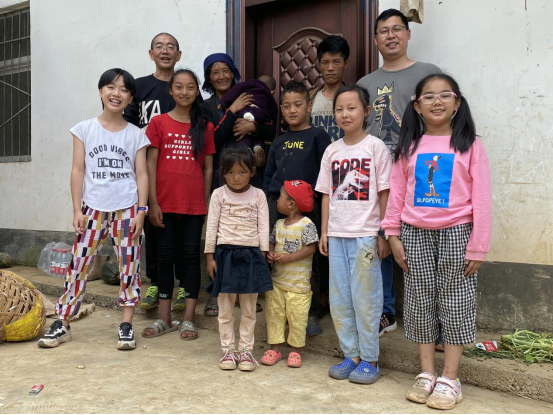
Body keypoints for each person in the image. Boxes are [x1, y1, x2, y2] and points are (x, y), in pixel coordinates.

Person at [382, 74, 492, 410]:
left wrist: (478, 245)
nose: (437, 101)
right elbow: (397, 194)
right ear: (417, 106)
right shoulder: (409, 147)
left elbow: (481, 198)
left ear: (457, 102)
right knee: (419, 300)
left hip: (457, 232)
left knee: (456, 301)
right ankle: (427, 373)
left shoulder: (470, 145)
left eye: (445, 95)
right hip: (414, 232)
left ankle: (450, 378)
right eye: (428, 96)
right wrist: (392, 233)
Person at [38, 69, 150, 351]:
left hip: (126, 209)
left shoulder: (136, 135)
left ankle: (126, 324)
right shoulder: (84, 129)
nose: (116, 93)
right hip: (92, 209)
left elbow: (142, 175)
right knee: (78, 265)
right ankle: (63, 322)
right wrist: (77, 209)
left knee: (129, 267)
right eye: (111, 87)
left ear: (130, 98)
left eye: (123, 90)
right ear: (101, 91)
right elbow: (77, 171)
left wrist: (141, 211)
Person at [357, 9, 443, 339]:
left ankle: (435, 319)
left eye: (397, 29)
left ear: (408, 34)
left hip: (420, 172)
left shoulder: (428, 74)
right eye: (384, 31)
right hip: (375, 176)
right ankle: (385, 311)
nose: (390, 35)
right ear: (375, 39)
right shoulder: (365, 84)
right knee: (378, 239)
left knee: (422, 242)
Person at [316, 85, 393, 385]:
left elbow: (385, 192)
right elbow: (326, 194)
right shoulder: (332, 150)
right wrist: (324, 231)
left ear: (366, 111)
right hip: (337, 235)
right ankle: (352, 355)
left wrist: (384, 233)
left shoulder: (376, 147)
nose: (345, 114)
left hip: (365, 236)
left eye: (351, 108)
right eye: (339, 109)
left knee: (366, 299)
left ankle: (370, 359)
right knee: (340, 298)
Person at [200, 53, 277, 317]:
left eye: (226, 70)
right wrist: (232, 111)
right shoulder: (207, 106)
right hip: (223, 177)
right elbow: (213, 140)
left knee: (247, 234)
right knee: (222, 233)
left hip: (251, 176)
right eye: (215, 72)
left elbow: (272, 129)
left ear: (233, 72)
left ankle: (246, 290)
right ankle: (217, 293)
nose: (221, 76)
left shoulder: (250, 95)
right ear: (208, 78)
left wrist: (253, 129)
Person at [142, 69, 215, 341]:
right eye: (179, 87)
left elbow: (208, 169)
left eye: (190, 87)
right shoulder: (158, 123)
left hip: (193, 206)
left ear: (197, 91)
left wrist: (204, 203)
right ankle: (164, 319)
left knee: (190, 260)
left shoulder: (205, 126)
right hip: (164, 204)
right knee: (164, 260)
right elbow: (150, 164)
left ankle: (188, 319)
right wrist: (152, 202)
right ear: (171, 91)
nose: (185, 92)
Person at [123, 33, 187, 313]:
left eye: (170, 47)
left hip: (179, 169)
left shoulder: (183, 87)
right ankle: (155, 283)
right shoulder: (139, 86)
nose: (165, 51)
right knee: (152, 226)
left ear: (178, 55)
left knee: (182, 228)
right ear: (151, 54)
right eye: (159, 46)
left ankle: (183, 284)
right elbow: (125, 126)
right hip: (146, 169)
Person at [263, 82, 331, 336]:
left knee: (310, 258)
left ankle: (311, 310)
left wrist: (319, 205)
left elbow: (326, 174)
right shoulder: (279, 141)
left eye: (298, 105)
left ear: (309, 106)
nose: (292, 110)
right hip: (278, 207)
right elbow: (269, 176)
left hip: (309, 210)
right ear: (281, 109)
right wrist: (269, 206)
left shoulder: (318, 136)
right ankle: (280, 307)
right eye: (287, 106)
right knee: (278, 254)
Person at [204, 146, 272, 372]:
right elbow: (211, 226)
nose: (236, 178)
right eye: (230, 172)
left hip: (251, 255)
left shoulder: (259, 195)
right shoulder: (218, 194)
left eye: (242, 172)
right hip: (225, 255)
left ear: (252, 171)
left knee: (249, 308)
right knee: (225, 308)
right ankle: (228, 350)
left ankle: (245, 351)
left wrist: (263, 254)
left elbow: (264, 226)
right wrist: (210, 257)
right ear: (223, 172)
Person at [261, 181, 319, 369]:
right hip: (277, 283)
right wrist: (270, 253)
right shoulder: (279, 224)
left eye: (280, 197)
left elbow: (311, 248)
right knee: (274, 315)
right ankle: (275, 349)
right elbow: (271, 241)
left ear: (291, 204)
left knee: (297, 318)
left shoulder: (306, 225)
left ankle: (295, 350)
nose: (277, 200)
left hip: (298, 286)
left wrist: (289, 258)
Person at [218, 75, 278, 167]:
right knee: (256, 139)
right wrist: (233, 109)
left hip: (244, 114)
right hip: (260, 115)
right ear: (272, 91)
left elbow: (271, 131)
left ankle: (246, 151)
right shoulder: (268, 98)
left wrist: (224, 102)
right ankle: (258, 148)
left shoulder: (247, 86)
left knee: (244, 139)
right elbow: (273, 114)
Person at [311, 35, 350, 142]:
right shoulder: (310, 98)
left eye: (336, 62)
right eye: (325, 62)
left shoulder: (355, 98)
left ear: (346, 63)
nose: (330, 68)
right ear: (319, 65)